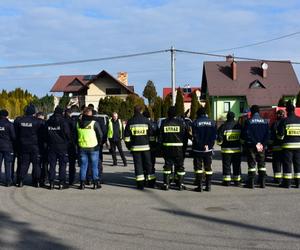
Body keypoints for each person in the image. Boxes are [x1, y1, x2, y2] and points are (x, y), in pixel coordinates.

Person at [14, 104, 45, 187]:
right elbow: (42, 134)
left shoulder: (19, 121)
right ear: (34, 113)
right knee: (36, 165)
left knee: (24, 164)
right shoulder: (38, 121)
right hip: (35, 146)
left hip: (23, 145)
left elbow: (16, 134)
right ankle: (37, 181)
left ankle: (20, 180)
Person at [124, 105, 154, 190]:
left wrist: (129, 146)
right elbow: (151, 135)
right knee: (148, 165)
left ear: (134, 111)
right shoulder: (146, 121)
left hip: (135, 148)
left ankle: (140, 184)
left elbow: (126, 137)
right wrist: (151, 145)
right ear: (141, 111)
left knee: (138, 166)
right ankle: (151, 182)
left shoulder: (130, 122)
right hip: (146, 148)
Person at [159, 106, 187, 191]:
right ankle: (180, 184)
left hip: (167, 149)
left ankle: (166, 184)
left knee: (167, 166)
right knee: (180, 166)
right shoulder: (181, 123)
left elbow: (160, 138)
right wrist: (184, 149)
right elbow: (185, 137)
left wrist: (161, 149)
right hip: (179, 149)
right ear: (176, 113)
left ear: (168, 113)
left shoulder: (164, 123)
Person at [242, 105, 269, 189]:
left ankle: (251, 183)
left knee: (252, 164)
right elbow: (267, 135)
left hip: (251, 146)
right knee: (262, 164)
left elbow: (247, 134)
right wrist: (262, 144)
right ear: (259, 111)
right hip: (262, 147)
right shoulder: (265, 121)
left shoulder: (248, 122)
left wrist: (255, 144)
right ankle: (262, 183)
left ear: (252, 112)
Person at [77, 107, 103, 190]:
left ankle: (82, 184)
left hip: (82, 147)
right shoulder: (94, 123)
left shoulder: (78, 123)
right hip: (93, 147)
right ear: (90, 114)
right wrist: (99, 144)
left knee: (83, 166)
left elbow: (75, 135)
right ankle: (96, 183)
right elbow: (100, 135)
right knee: (94, 166)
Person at [192, 106, 217, 192]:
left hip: (198, 149)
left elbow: (195, 136)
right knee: (208, 167)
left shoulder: (195, 122)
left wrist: (200, 145)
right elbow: (214, 136)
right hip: (208, 149)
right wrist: (209, 145)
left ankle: (199, 186)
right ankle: (208, 186)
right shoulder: (212, 122)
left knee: (198, 168)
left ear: (198, 114)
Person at [46, 107, 71, 190]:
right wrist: (67, 142)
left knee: (52, 165)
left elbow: (45, 133)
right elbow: (67, 134)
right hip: (62, 146)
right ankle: (61, 183)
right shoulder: (63, 121)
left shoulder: (48, 121)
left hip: (51, 146)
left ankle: (51, 183)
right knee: (62, 165)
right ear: (61, 113)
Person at [277, 102, 300, 188]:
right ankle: (298, 183)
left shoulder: (284, 121)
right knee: (298, 164)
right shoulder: (299, 120)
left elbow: (280, 136)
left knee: (287, 164)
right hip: (298, 146)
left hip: (287, 147)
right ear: (294, 110)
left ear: (287, 111)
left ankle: (287, 183)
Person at [217, 111, 242, 186]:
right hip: (237, 150)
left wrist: (220, 144)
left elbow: (219, 139)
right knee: (237, 165)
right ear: (234, 117)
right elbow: (243, 137)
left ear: (227, 117)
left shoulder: (223, 126)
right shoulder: (238, 126)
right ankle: (237, 181)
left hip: (226, 150)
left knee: (226, 165)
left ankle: (227, 181)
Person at [0, 109, 16, 186]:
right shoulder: (9, 124)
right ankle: (8, 181)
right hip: (8, 147)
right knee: (8, 165)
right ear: (7, 116)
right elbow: (13, 136)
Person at [269, 109, 285, 184]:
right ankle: (286, 179)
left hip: (276, 147)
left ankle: (277, 179)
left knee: (276, 164)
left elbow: (271, 136)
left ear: (278, 115)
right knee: (285, 164)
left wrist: (270, 146)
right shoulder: (286, 122)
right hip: (285, 148)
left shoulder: (274, 124)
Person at [143, 110, 158, 177]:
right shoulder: (154, 124)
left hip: (144, 147)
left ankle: (145, 177)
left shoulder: (142, 124)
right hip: (153, 148)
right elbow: (158, 135)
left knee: (144, 164)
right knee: (152, 164)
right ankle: (151, 179)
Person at [64, 108, 78, 185]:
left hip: (63, 144)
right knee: (72, 164)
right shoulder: (73, 121)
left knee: (63, 164)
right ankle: (71, 180)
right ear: (70, 113)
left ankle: (62, 179)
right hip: (71, 144)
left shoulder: (62, 121)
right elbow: (76, 133)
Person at [36, 112, 48, 187]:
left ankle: (36, 180)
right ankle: (44, 179)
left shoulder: (34, 123)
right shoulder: (45, 123)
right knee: (45, 164)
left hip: (36, 145)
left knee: (36, 164)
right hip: (44, 146)